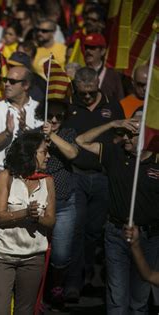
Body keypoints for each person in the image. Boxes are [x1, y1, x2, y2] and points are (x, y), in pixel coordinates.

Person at [76, 112, 159, 314]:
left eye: (132, 134)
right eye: (124, 133)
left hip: (149, 237)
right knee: (117, 298)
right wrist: (113, 123)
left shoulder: (157, 160)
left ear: (147, 136)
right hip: (116, 234)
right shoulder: (115, 153)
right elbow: (81, 141)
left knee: (139, 301)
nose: (126, 138)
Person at [62, 67, 125, 302]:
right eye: (82, 93)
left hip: (102, 176)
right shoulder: (69, 104)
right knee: (75, 230)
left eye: (91, 92)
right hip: (75, 175)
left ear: (98, 85)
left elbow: (121, 135)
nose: (87, 97)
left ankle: (91, 276)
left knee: (94, 231)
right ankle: (73, 283)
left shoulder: (112, 105)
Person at [0, 132, 56, 315]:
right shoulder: (7, 176)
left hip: (33, 258)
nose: (48, 156)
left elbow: (50, 220)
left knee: (24, 311)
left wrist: (37, 217)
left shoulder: (47, 181)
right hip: (3, 257)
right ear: (30, 153)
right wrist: (25, 213)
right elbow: (0, 217)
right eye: (44, 152)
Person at [37, 100, 79, 310]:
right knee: (38, 252)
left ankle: (57, 285)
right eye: (50, 116)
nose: (53, 120)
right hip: (39, 203)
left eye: (58, 117)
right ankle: (37, 295)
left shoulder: (68, 133)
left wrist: (51, 135)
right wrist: (41, 138)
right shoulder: (35, 133)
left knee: (60, 255)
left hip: (63, 204)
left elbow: (72, 154)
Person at [0, 66, 43, 174]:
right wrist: (6, 133)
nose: (6, 84)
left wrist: (26, 131)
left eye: (12, 81)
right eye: (6, 80)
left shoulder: (39, 110)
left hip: (30, 175)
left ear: (26, 85)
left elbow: (44, 145)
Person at [83, 33, 124, 102]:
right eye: (86, 47)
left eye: (92, 48)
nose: (88, 51)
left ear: (102, 51)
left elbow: (120, 102)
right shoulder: (79, 73)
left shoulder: (113, 76)